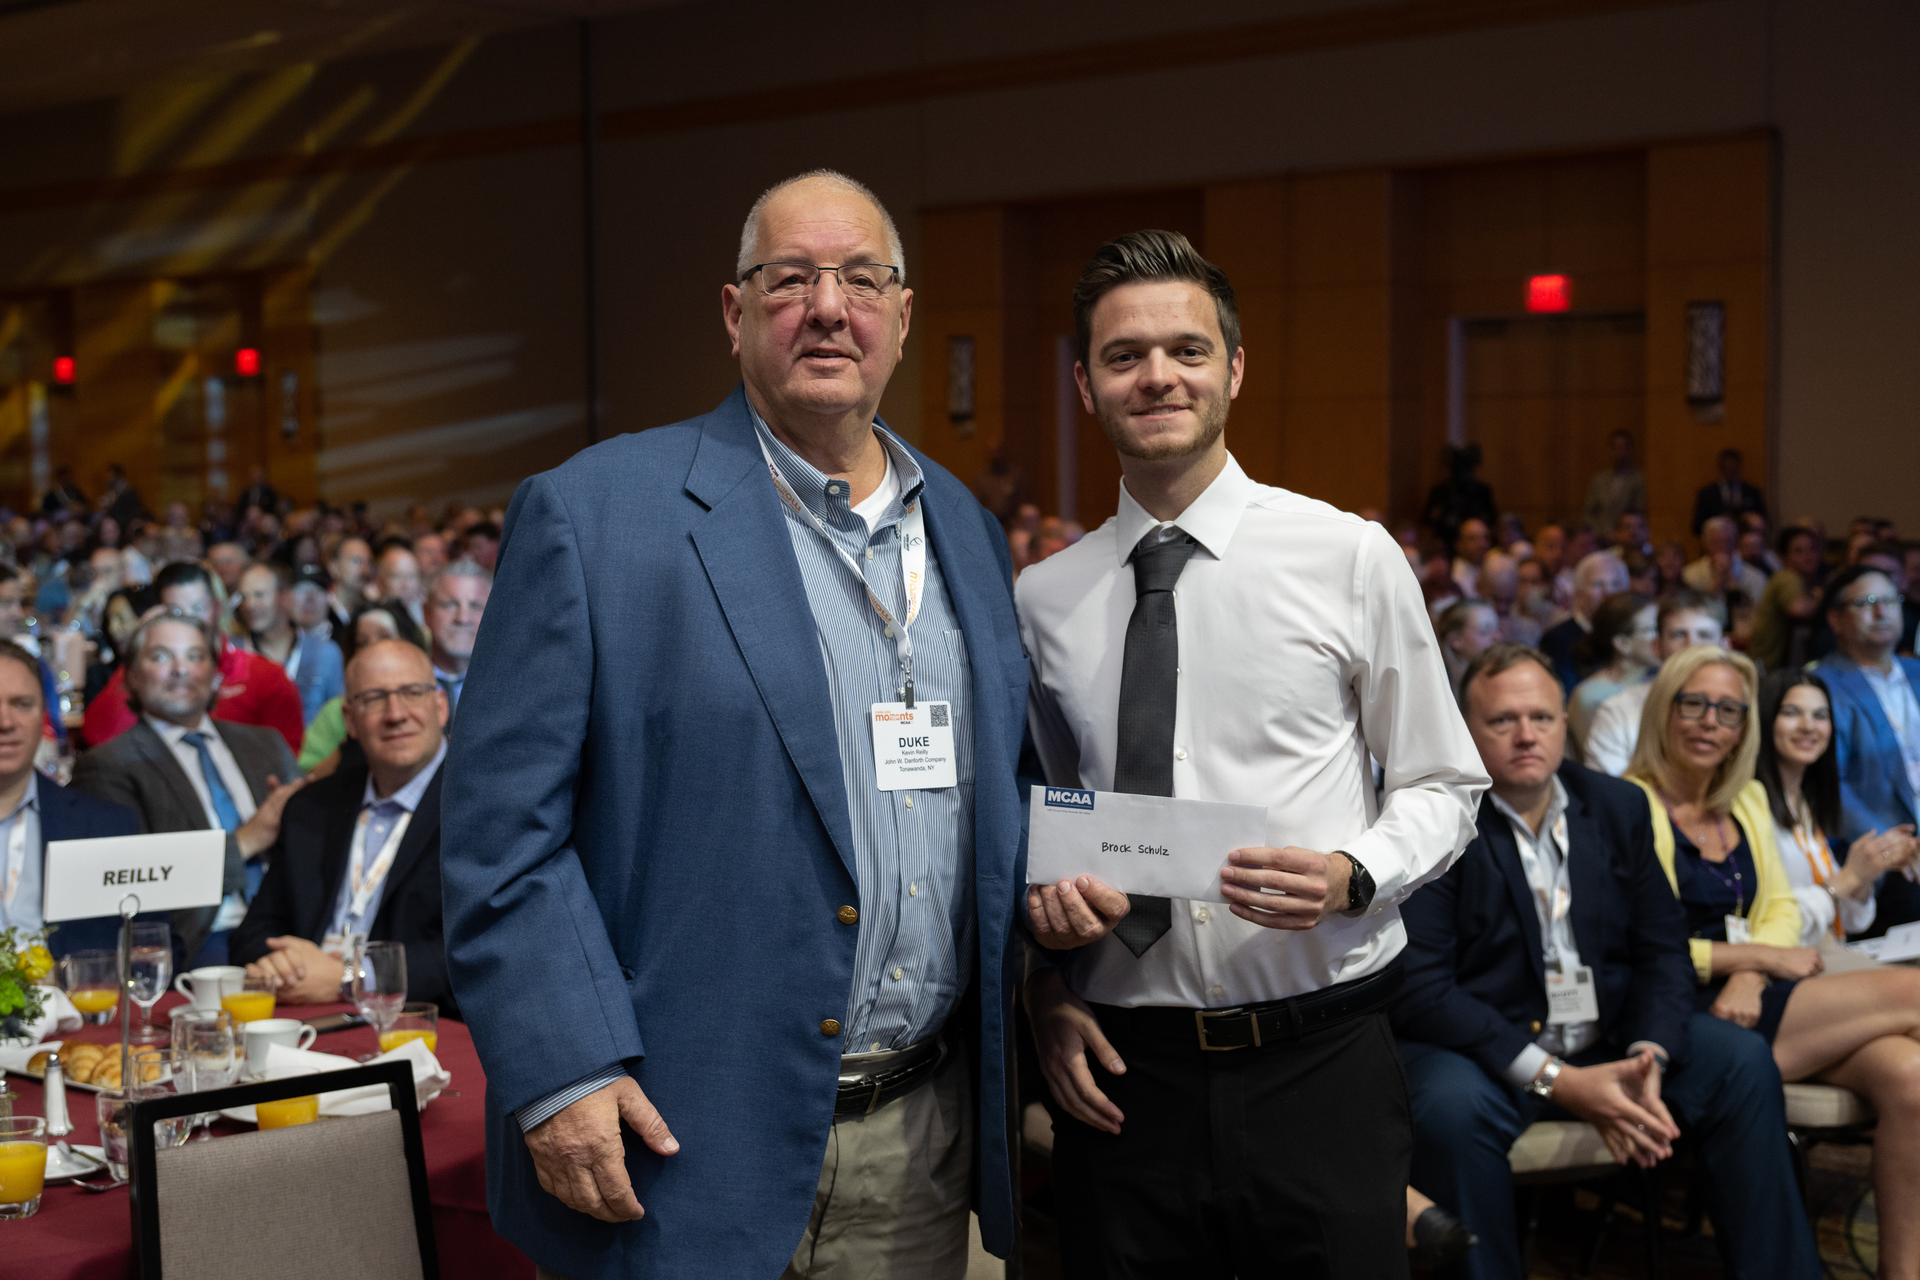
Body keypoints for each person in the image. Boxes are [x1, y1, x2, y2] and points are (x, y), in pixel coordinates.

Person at [440, 170, 1028, 1280]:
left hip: (918, 1136)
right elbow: (496, 839)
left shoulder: (966, 528)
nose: (826, 305)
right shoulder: (595, 513)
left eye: (861, 279)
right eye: (789, 278)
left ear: (902, 316)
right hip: (674, 1138)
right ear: (733, 312)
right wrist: (561, 1069)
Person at [1016, 229, 1486, 1279]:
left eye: (1187, 348)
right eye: (1124, 355)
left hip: (1320, 1060)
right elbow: (1041, 810)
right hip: (1124, 1075)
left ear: (1234, 367)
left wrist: (1349, 872)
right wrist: (1047, 969)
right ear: (1085, 385)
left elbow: (1447, 782)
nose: (1157, 375)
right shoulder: (1042, 598)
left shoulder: (1347, 556)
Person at [1394, 643, 1818, 1280]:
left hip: (1610, 1041)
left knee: (1739, 1059)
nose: (1526, 736)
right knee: (1447, 1107)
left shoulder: (1616, 807)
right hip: (1494, 1056)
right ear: (1465, 728)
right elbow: (1423, 990)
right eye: (1502, 721)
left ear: (1567, 723)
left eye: (1541, 717)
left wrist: (1651, 1056)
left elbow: (1662, 950)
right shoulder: (1434, 818)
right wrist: (1559, 1081)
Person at [1627, 646, 1920, 1279]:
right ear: (1663, 710)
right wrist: (1754, 958)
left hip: (1755, 993)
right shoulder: (1628, 803)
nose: (1712, 722)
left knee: (1912, 1075)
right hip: (1682, 1008)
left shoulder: (1749, 798)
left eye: (1729, 710)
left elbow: (1781, 909)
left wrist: (1754, 970)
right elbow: (1639, 943)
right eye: (1696, 704)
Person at [71, 611, 305, 965]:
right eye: (161, 656)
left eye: (195, 656)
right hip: (202, 941)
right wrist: (246, 841)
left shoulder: (265, 745)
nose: (180, 669)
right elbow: (132, 879)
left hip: (293, 929)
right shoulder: (109, 764)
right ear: (131, 675)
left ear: (215, 674)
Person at [233, 639, 454, 1013]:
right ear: (350, 721)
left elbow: (470, 951)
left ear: (440, 706)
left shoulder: (482, 811)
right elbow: (254, 935)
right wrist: (289, 968)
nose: (395, 713)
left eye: (412, 692)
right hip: (307, 1016)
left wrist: (348, 978)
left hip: (418, 1025)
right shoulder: (310, 808)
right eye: (374, 698)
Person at [0, 639, 153, 958]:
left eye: (22, 704)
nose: (6, 723)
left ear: (43, 713)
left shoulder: (106, 827)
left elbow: (153, 946)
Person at [1756, 669, 1917, 944]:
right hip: (1790, 964)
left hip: (1832, 951)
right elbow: (1767, 927)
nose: (1809, 726)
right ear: (1766, 720)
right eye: (1792, 713)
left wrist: (1866, 872)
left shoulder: (1805, 802)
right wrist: (1848, 877)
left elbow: (1854, 920)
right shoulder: (1751, 805)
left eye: (1820, 715)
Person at [82, 561, 306, 754]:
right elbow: (99, 736)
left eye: (199, 608)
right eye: (176, 612)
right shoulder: (153, 674)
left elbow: (286, 760)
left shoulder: (265, 676)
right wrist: (141, 649)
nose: (191, 620)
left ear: (217, 609)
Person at [1816, 563, 1920, 930]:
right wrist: (1891, 845)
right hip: (1883, 855)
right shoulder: (1822, 685)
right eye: (1867, 602)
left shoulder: (1916, 672)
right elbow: (1830, 782)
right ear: (1836, 619)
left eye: (1890, 600)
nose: (1882, 612)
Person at [1584, 591, 1726, 776]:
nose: (1692, 645)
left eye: (1704, 635)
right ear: (1656, 647)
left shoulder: (1739, 710)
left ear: (1725, 646)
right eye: (1678, 635)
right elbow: (1608, 796)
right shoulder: (1617, 712)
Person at [298, 599, 430, 774]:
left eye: (385, 636)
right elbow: (308, 777)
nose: (374, 648)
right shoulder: (336, 713)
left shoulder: (430, 697)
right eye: (362, 643)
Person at [238, 562, 345, 726]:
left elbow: (339, 722)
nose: (250, 605)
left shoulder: (325, 653)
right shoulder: (233, 652)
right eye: (244, 597)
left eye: (259, 595)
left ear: (286, 598)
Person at [1566, 591, 1655, 764]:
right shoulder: (1591, 696)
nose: (1662, 637)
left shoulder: (1657, 683)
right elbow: (1600, 766)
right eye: (1652, 629)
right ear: (1623, 644)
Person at [1538, 551, 1629, 692]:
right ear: (1578, 594)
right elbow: (1567, 697)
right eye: (1598, 584)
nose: (1608, 592)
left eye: (1616, 584)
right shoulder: (1557, 640)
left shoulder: (1630, 635)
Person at [1749, 525, 1825, 673]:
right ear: (1782, 557)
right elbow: (1797, 609)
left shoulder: (1804, 581)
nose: (1808, 556)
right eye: (1798, 551)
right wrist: (1832, 604)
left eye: (1813, 549)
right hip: (1768, 672)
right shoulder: (1787, 578)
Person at [423, 560, 489, 722]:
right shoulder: (401, 681)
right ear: (426, 613)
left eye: (475, 606)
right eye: (450, 605)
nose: (462, 618)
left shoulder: (511, 689)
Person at [1423, 443, 1498, 558]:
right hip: (1446, 543)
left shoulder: (1481, 491)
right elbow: (1427, 518)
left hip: (1475, 546)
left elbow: (1492, 518)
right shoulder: (1440, 492)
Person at [1583, 429, 1645, 539]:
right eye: (1615, 448)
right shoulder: (1598, 480)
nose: (1619, 453)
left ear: (1630, 450)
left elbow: (1638, 511)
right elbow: (1589, 513)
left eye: (1622, 448)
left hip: (1628, 538)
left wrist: (1621, 534)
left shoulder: (1638, 479)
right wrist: (1604, 533)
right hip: (1600, 538)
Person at [1691, 447, 1768, 535]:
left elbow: (1763, 521)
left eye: (1733, 468)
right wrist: (1719, 520)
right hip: (1717, 540)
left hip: (1744, 541)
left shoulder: (1752, 492)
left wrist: (1745, 517)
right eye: (1727, 468)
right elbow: (1697, 527)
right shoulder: (1707, 494)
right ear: (1721, 467)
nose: (1730, 471)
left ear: (1739, 467)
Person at [1437, 599, 1500, 697]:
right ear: (1456, 640)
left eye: (1497, 628)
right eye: (1485, 631)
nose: (1497, 637)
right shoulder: (1439, 684)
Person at [328, 535, 374, 632]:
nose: (365, 569)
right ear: (334, 567)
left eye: (368, 562)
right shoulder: (321, 612)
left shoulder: (372, 611)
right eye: (356, 561)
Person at [372, 543, 425, 627]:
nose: (405, 584)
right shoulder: (371, 617)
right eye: (397, 576)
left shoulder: (426, 613)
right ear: (380, 582)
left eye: (412, 576)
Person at [1451, 517, 1492, 600]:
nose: (1481, 544)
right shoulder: (1452, 578)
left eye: (1485, 538)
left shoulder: (1493, 567)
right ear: (1458, 544)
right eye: (1473, 539)